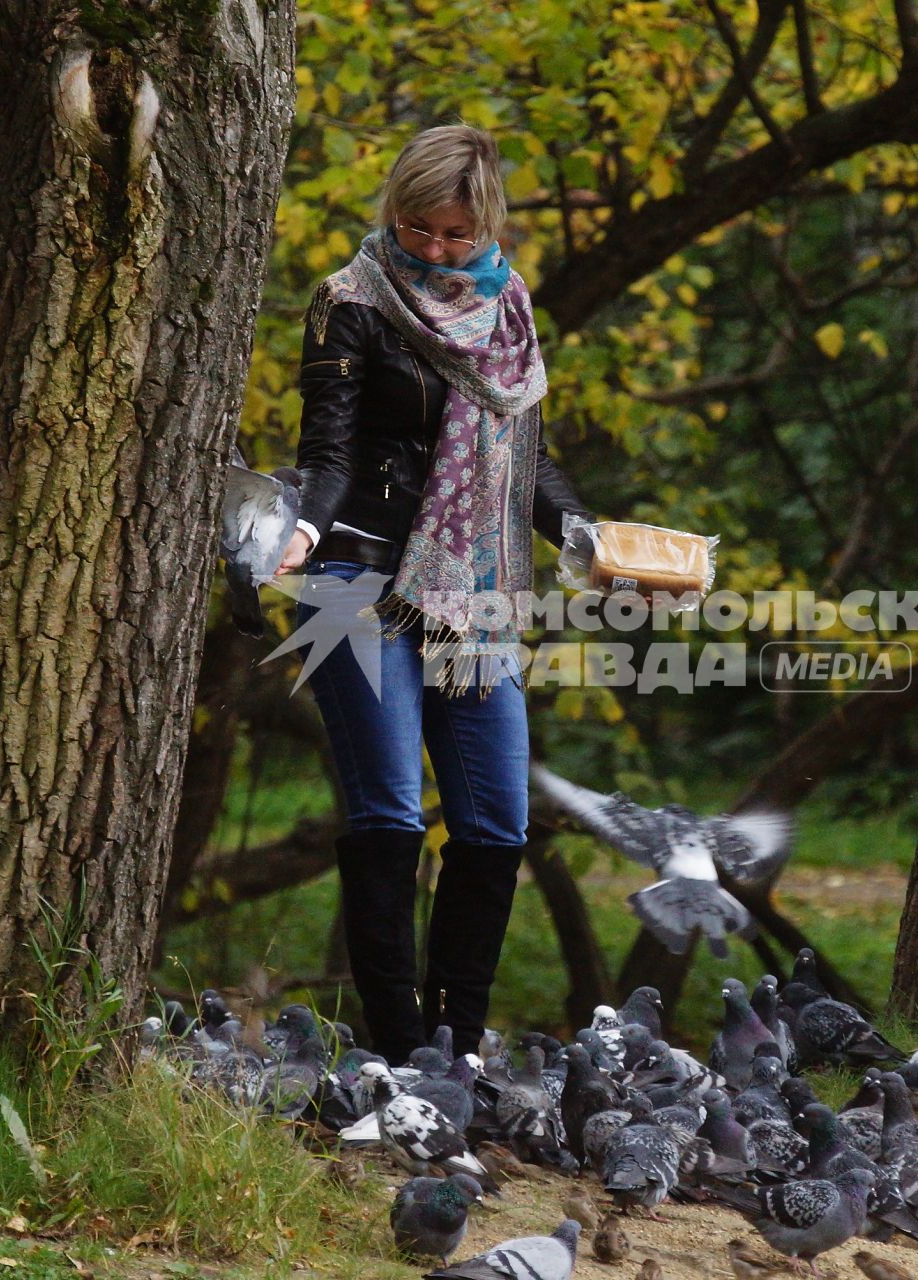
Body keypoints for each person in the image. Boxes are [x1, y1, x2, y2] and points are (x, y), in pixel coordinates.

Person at [276, 124, 588, 1062]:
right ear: (393, 213)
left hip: (473, 590)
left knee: (497, 821)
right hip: (354, 579)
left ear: (487, 225)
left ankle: (457, 1050)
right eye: (418, 230)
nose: (435, 251)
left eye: (456, 235)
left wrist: (591, 540)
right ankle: (396, 1048)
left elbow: (530, 465)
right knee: (391, 814)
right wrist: (300, 529)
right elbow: (326, 454)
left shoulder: (510, 313)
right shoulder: (350, 302)